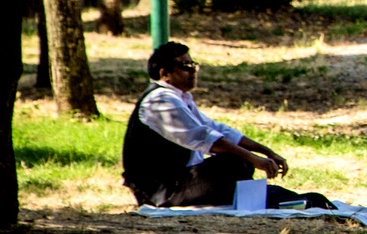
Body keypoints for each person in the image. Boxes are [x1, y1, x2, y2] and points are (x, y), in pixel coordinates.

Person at [122, 41, 335, 209]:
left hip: (178, 181)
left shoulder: (180, 98)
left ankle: (295, 201)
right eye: (185, 66)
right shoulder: (160, 101)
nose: (192, 71)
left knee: (242, 167)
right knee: (236, 164)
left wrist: (266, 152)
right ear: (164, 73)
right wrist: (254, 160)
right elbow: (207, 139)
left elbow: (220, 130)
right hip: (161, 190)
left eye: (193, 65)